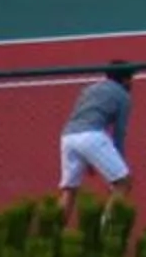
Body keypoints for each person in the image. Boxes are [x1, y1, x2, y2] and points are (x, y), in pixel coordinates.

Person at [57, 62, 137, 218]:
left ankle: (53, 230)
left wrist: (88, 159)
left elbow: (79, 115)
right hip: (91, 135)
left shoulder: (88, 90)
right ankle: (105, 229)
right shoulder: (123, 96)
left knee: (69, 190)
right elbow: (119, 132)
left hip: (68, 136)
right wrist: (120, 161)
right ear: (126, 80)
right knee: (123, 182)